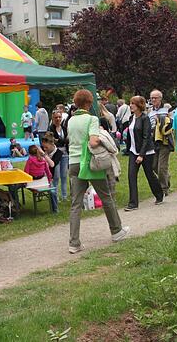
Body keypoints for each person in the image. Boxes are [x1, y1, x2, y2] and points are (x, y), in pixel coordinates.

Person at [67, 89, 129, 253]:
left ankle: (74, 243)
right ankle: (116, 230)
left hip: (73, 162)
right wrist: (103, 137)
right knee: (106, 197)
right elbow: (93, 142)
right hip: (88, 162)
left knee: (76, 204)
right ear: (88, 103)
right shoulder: (92, 119)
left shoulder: (71, 120)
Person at [124, 96, 164, 211]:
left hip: (146, 152)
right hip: (133, 151)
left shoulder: (144, 118)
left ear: (139, 106)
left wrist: (141, 155)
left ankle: (159, 194)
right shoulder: (131, 118)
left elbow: (147, 137)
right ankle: (133, 203)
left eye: (133, 104)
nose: (131, 105)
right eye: (130, 103)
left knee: (149, 175)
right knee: (131, 176)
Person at [148, 89, 173, 196]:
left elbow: (172, 123)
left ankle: (164, 188)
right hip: (154, 141)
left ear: (160, 98)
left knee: (161, 167)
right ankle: (166, 177)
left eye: (155, 98)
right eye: (152, 98)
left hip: (165, 140)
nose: (153, 100)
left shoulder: (167, 108)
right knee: (154, 166)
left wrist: (163, 125)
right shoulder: (149, 111)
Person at [47, 111, 69, 200]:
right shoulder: (50, 129)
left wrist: (59, 140)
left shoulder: (64, 128)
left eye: (59, 117)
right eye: (56, 117)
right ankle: (55, 196)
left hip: (64, 153)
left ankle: (64, 196)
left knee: (64, 175)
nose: (58, 119)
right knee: (56, 176)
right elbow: (52, 141)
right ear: (53, 118)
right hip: (55, 154)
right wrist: (61, 140)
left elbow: (67, 140)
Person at [41, 136, 63, 213]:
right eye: (43, 147)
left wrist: (44, 155)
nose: (44, 149)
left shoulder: (59, 153)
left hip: (52, 173)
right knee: (52, 188)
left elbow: (52, 165)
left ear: (52, 144)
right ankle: (54, 203)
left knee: (54, 185)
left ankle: (55, 205)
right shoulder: (42, 149)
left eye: (46, 147)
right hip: (44, 175)